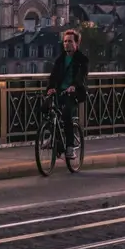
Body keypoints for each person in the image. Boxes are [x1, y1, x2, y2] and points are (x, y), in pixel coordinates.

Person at [45, 29, 90, 161]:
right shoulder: (60, 59)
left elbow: (81, 75)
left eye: (70, 41)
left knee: (66, 114)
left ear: (77, 43)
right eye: (65, 41)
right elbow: (53, 76)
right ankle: (53, 138)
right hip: (60, 92)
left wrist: (74, 86)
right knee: (45, 108)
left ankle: (70, 147)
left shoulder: (82, 59)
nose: (67, 44)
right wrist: (51, 88)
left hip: (74, 93)